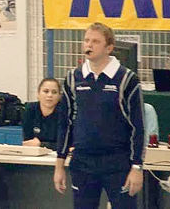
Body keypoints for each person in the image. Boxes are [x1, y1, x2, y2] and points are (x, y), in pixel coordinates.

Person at [54, 22, 145, 209]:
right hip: (82, 163)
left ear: (109, 48)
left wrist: (137, 166)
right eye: (86, 40)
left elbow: (138, 126)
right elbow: (65, 124)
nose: (89, 45)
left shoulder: (127, 79)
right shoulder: (73, 78)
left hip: (118, 164)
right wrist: (59, 165)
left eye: (95, 41)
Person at [22, 77, 61, 150]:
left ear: (59, 96)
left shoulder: (64, 112)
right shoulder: (30, 110)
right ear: (38, 94)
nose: (50, 95)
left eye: (54, 92)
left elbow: (65, 145)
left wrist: (41, 144)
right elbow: (28, 142)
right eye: (46, 91)